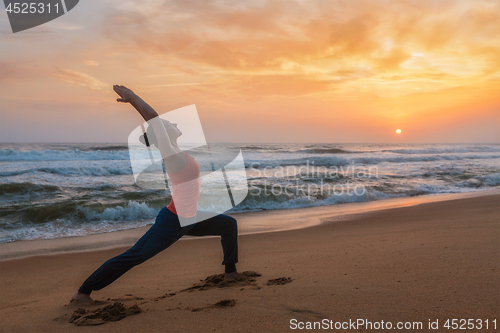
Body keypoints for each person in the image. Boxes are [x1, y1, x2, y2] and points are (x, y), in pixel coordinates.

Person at [72, 85, 245, 303]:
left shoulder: (178, 152)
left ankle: (230, 272)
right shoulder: (170, 154)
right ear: (163, 134)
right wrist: (134, 99)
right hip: (173, 221)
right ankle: (83, 292)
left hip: (190, 216)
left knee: (228, 225)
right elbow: (154, 118)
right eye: (169, 124)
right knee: (134, 256)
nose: (174, 123)